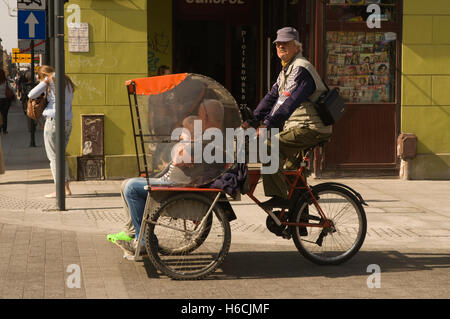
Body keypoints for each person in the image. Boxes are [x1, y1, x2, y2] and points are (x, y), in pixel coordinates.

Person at [111, 99, 225, 257]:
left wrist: (183, 147)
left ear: (205, 116)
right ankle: (133, 233)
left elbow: (180, 159)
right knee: (126, 184)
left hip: (176, 185)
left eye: (199, 114)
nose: (196, 118)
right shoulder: (208, 137)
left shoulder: (207, 139)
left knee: (131, 188)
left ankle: (143, 240)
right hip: (174, 182)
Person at [242, 27, 332, 210]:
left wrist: (266, 126)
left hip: (310, 127)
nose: (281, 46)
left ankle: (278, 197)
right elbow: (271, 98)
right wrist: (251, 121)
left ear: (297, 47)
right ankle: (299, 217)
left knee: (268, 147)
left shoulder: (301, 69)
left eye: (286, 43)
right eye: (278, 43)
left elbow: (287, 103)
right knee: (291, 171)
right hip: (298, 127)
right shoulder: (287, 70)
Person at [28, 65, 76, 198]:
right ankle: (66, 188)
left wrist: (43, 83)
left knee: (53, 157)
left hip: (54, 121)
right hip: (67, 122)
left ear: (43, 74)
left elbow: (31, 94)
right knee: (60, 155)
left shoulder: (49, 79)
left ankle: (59, 189)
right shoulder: (67, 80)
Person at [0, 69, 16, 135]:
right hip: (5, 100)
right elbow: (12, 89)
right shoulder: (6, 82)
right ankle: (4, 130)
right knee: (5, 115)